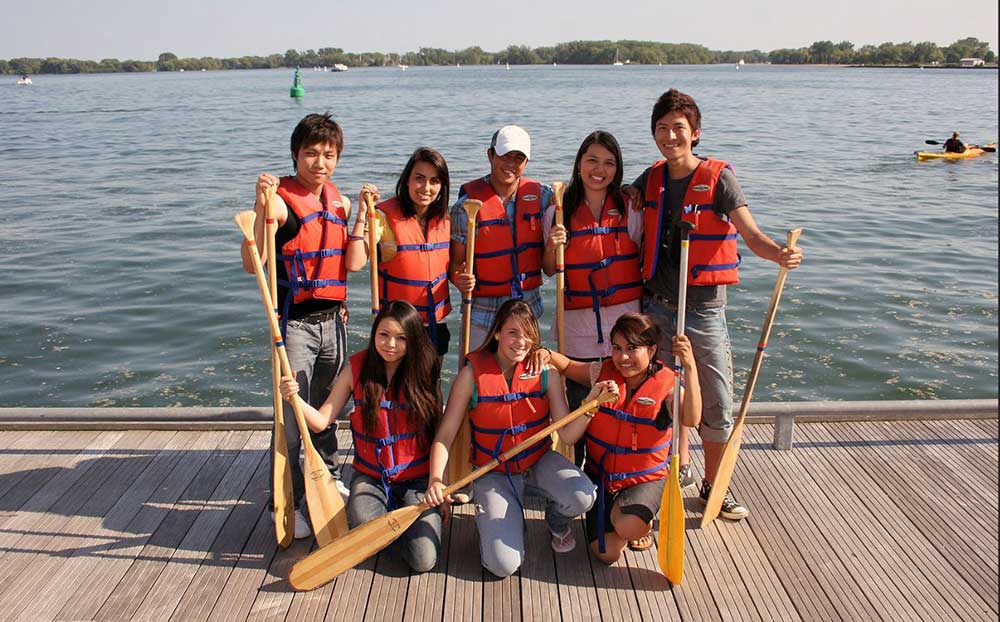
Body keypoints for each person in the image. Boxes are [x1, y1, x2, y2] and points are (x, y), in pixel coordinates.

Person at [627, 89, 803, 520]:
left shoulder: (720, 179)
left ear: (695, 133)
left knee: (716, 400)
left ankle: (713, 485)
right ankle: (669, 470)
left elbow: (750, 233)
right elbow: (623, 204)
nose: (670, 136)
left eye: (678, 128)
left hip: (702, 310)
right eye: (662, 128)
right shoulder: (649, 178)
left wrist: (778, 254)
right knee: (661, 394)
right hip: (657, 307)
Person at [242, 112, 365, 539]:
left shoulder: (340, 202)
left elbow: (351, 262)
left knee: (328, 409)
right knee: (292, 417)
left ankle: (328, 476)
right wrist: (260, 207)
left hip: (334, 322)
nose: (320, 163)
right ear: (295, 154)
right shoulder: (279, 201)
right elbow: (252, 263)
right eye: (311, 153)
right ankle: (288, 499)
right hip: (295, 326)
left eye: (329, 155)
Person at [423, 300, 600, 578]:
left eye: (528, 334)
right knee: (502, 566)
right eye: (513, 333)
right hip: (493, 471)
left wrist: (590, 406)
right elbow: (445, 436)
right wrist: (436, 480)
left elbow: (567, 434)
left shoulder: (547, 373)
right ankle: (503, 524)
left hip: (537, 462)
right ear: (497, 333)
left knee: (583, 496)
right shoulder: (471, 375)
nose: (521, 341)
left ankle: (556, 521)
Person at [279, 301, 444, 572]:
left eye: (401, 338)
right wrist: (294, 398)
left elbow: (440, 436)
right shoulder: (356, 368)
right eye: (384, 335)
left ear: (413, 339)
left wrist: (438, 482)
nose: (391, 344)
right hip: (372, 478)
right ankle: (385, 527)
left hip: (417, 480)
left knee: (424, 561)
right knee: (367, 523)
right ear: (374, 334)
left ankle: (401, 527)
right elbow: (321, 422)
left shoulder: (425, 371)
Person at [539, 313, 701, 562]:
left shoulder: (668, 387)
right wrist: (546, 354)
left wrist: (690, 368)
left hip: (644, 480)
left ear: (652, 350)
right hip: (602, 478)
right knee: (606, 554)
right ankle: (622, 517)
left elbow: (691, 419)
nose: (623, 357)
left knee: (628, 526)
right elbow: (568, 366)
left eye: (632, 348)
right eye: (617, 348)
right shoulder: (601, 373)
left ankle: (638, 523)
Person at [541, 130, 643, 465]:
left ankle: (613, 479)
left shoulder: (630, 208)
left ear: (618, 168)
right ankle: (577, 482)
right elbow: (548, 269)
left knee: (618, 418)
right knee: (580, 418)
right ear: (579, 164)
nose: (600, 170)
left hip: (623, 337)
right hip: (577, 337)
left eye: (609, 163)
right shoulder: (559, 210)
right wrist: (553, 246)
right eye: (592, 161)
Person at [449, 125, 554, 352]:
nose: (511, 164)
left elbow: (580, 198)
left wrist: (627, 191)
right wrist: (460, 280)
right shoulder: (465, 207)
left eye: (518, 158)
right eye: (505, 156)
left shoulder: (544, 197)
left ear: (526, 162)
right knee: (477, 373)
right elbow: (456, 264)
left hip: (528, 312)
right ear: (490, 155)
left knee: (527, 374)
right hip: (481, 314)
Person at [356, 147, 453, 356]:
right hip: (396, 329)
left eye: (434, 181)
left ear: (442, 186)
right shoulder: (381, 217)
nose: (426, 188)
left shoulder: (445, 220)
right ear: (407, 180)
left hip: (434, 325)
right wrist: (363, 213)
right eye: (419, 178)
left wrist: (462, 279)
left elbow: (449, 268)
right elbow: (356, 262)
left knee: (431, 378)